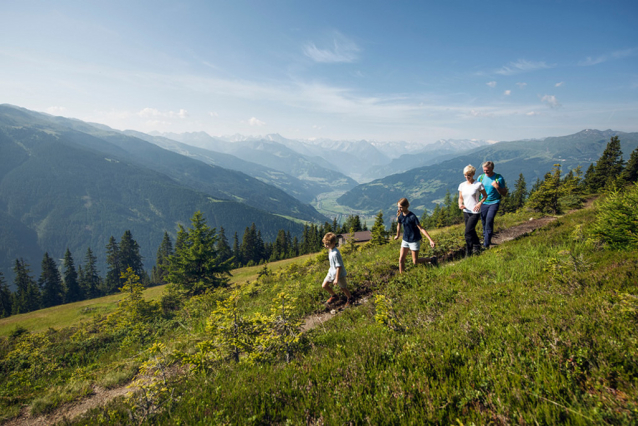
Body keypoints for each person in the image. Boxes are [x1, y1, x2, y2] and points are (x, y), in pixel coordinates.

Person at [393, 198, 437, 273]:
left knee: (415, 262)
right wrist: (397, 235)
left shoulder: (412, 217)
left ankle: (431, 259)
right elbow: (399, 225)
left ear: (406, 206)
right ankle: (401, 276)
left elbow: (421, 228)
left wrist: (430, 240)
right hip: (405, 240)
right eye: (398, 207)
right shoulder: (401, 215)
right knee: (401, 259)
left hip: (414, 240)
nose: (399, 209)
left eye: (401, 207)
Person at [458, 165, 488, 257]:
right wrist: (460, 204)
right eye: (465, 175)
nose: (467, 177)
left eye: (469, 175)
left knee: (467, 232)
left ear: (473, 174)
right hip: (466, 211)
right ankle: (477, 245)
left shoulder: (478, 185)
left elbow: (485, 196)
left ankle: (469, 253)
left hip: (475, 212)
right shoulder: (462, 185)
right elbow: (460, 198)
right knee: (471, 230)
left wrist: (479, 203)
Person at [477, 161, 507, 249]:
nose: (486, 172)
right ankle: (487, 239)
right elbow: (477, 190)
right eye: (484, 170)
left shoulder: (499, 178)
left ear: (492, 169)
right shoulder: (481, 177)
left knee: (489, 220)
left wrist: (497, 187)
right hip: (483, 202)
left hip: (494, 202)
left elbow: (504, 193)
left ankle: (486, 244)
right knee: (483, 221)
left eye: (487, 170)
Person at [322, 232, 353, 307]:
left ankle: (350, 298)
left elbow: (339, 267)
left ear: (333, 243)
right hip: (331, 272)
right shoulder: (330, 250)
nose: (326, 246)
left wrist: (336, 279)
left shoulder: (335, 253)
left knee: (343, 288)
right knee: (324, 285)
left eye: (327, 244)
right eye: (325, 244)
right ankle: (334, 296)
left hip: (339, 274)